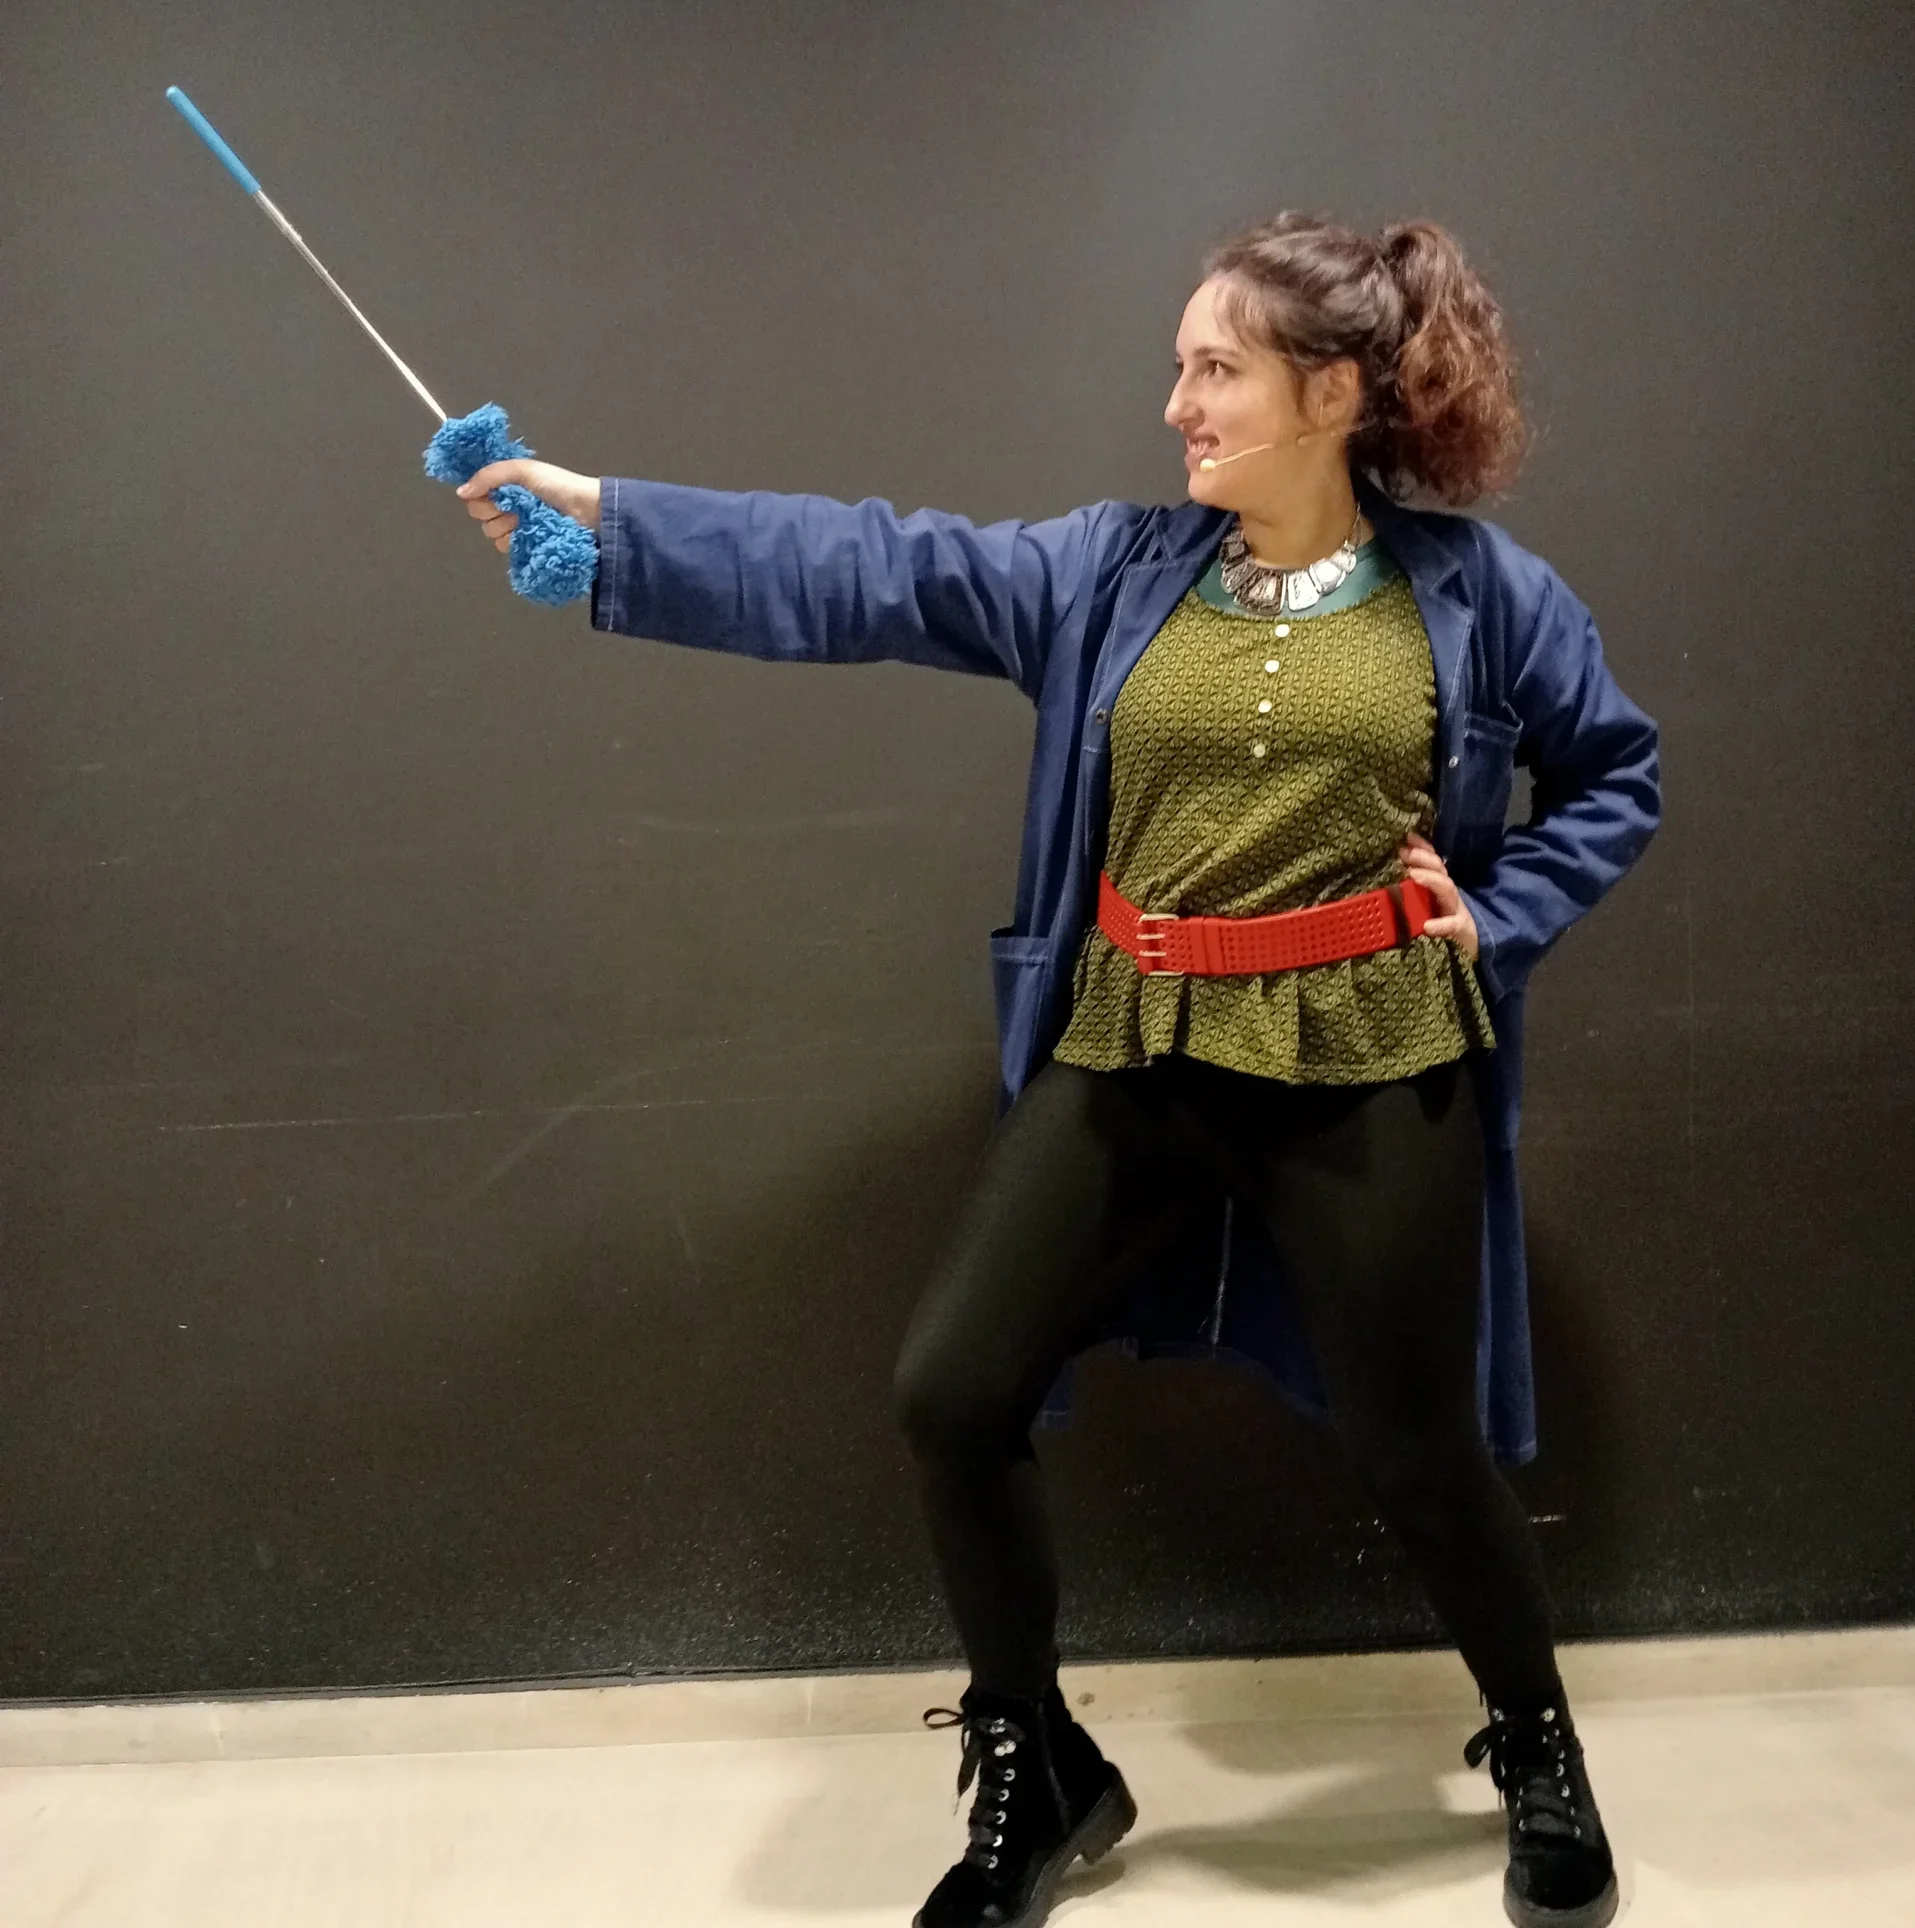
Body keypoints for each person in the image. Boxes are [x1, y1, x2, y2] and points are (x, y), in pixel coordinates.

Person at [458, 210, 1659, 1928]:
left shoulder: (1479, 595)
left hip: (1373, 1050)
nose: (1178, 402)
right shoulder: (1114, 571)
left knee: (1413, 1443)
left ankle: (1536, 1739)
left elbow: (1616, 774)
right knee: (953, 1391)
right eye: (1181, 365)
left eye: (1215, 368)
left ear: (1332, 392)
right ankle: (1040, 1765)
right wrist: (609, 519)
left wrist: (1507, 907)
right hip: (1138, 1039)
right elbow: (875, 568)